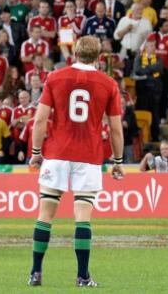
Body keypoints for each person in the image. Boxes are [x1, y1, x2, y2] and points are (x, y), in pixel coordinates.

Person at [27, 36, 125, 288]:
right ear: (99, 57)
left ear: (75, 53)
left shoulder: (56, 78)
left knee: (45, 214)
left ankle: (35, 272)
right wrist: (118, 161)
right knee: (82, 216)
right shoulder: (108, 83)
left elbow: (39, 120)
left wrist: (36, 152)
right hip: (89, 155)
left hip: (57, 152)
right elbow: (115, 128)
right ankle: (82, 276)